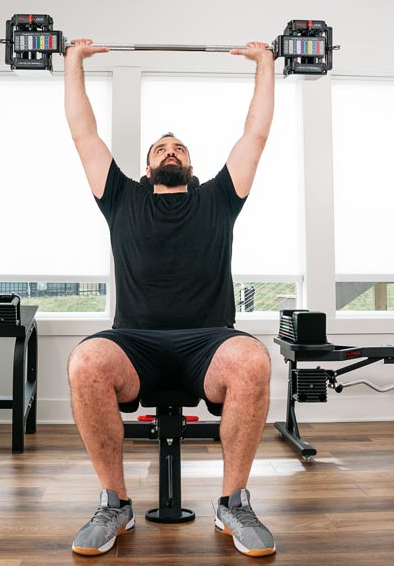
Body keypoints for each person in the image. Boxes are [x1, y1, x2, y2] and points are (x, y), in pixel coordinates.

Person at [64, 37, 276, 558]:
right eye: (160, 148)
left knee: (252, 358)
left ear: (191, 164)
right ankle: (115, 503)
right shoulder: (120, 198)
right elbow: (83, 132)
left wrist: (266, 64)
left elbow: (257, 132)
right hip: (133, 344)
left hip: (209, 344)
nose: (170, 151)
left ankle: (234, 502)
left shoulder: (219, 199)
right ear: (147, 166)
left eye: (178, 147)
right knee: (86, 360)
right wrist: (73, 61)